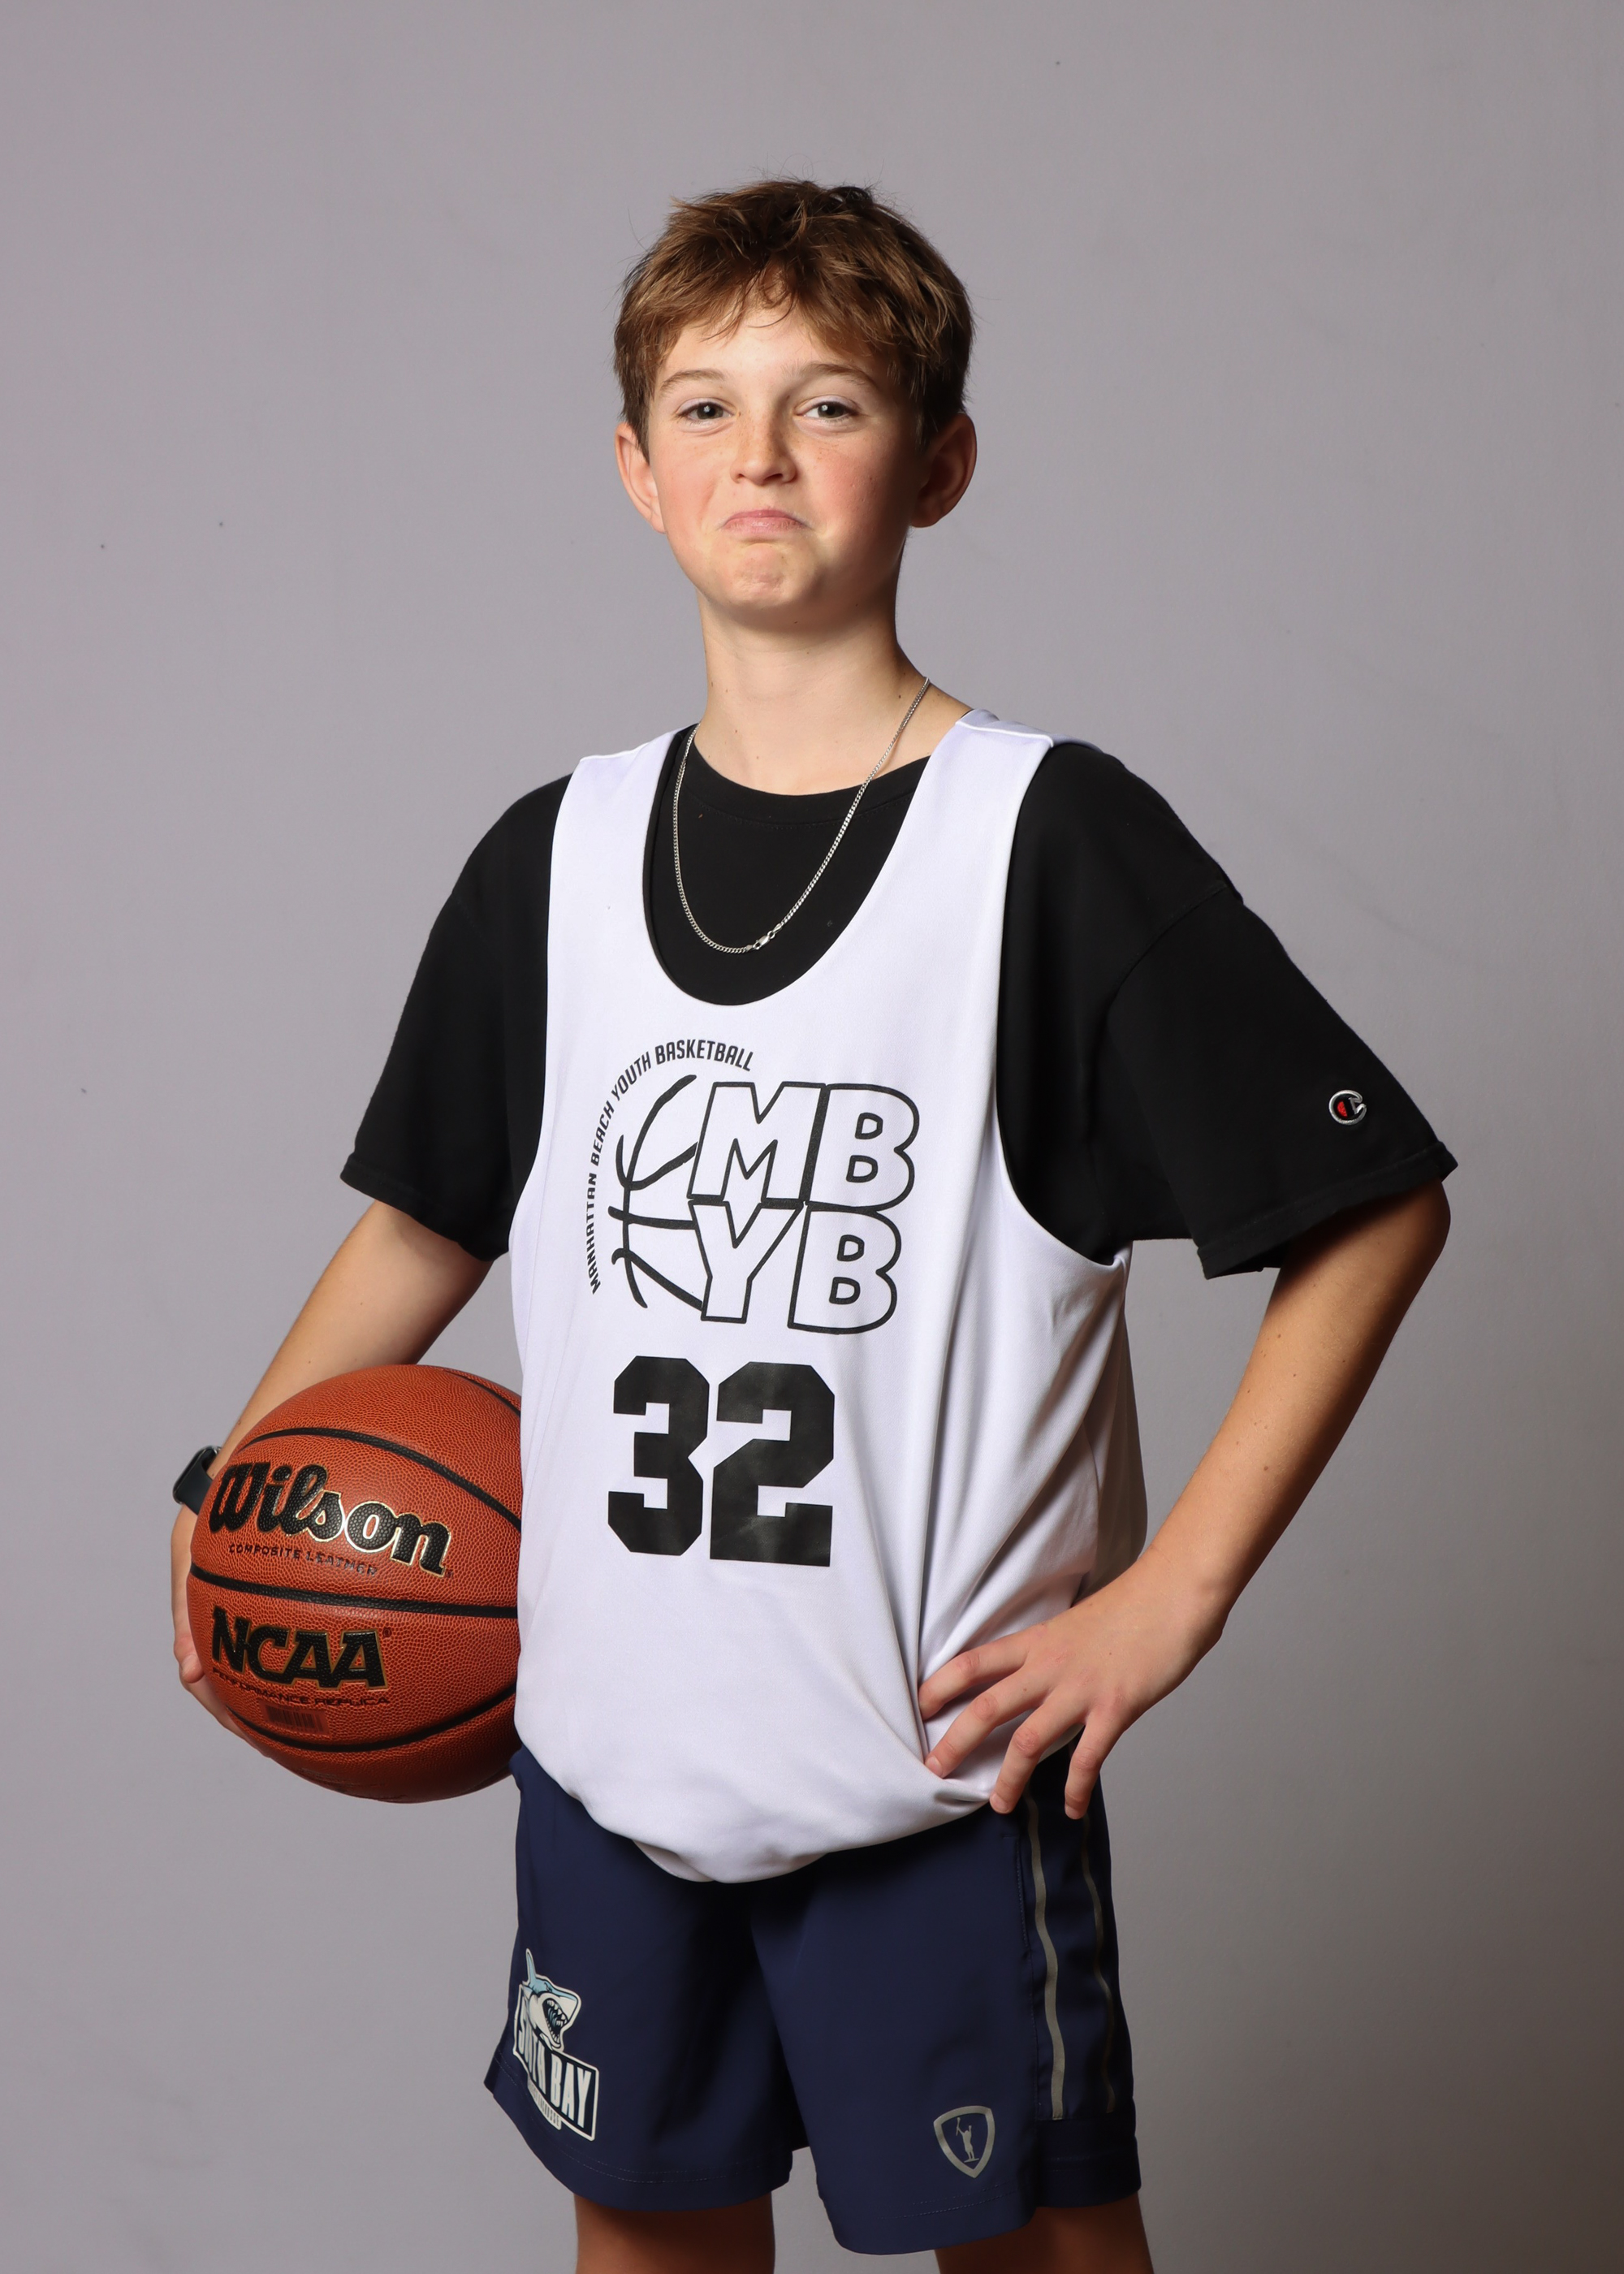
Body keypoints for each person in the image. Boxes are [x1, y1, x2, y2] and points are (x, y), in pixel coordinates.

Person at [171, 180, 1453, 2272]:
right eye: (706, 405)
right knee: (649, 2243)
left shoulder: (1046, 841)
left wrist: (1175, 1598)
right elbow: (422, 1227)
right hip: (609, 1764)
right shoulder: (553, 860)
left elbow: (1373, 1206)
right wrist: (240, 1494)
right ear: (635, 467)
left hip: (931, 1782)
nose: (758, 454)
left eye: (829, 402)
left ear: (938, 463)